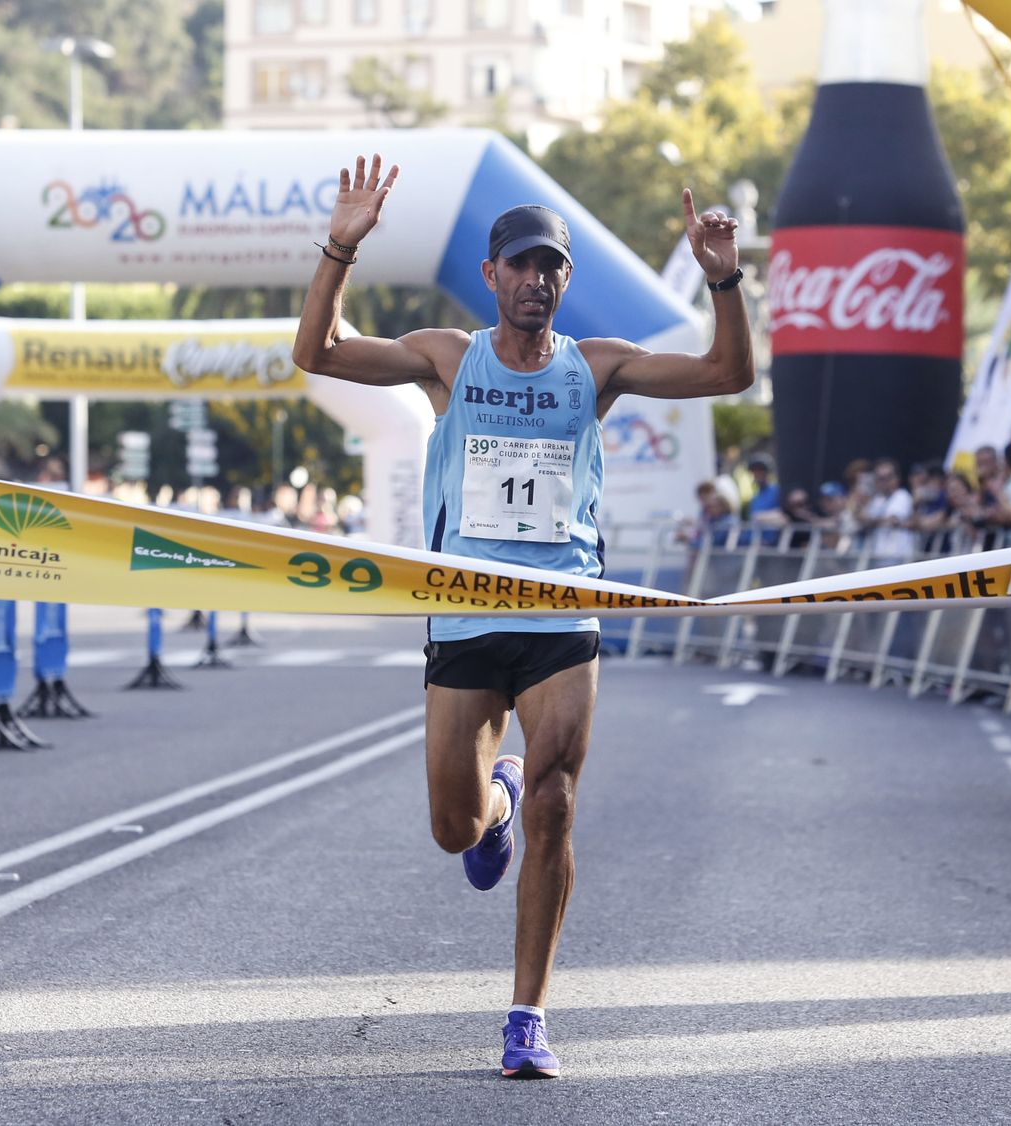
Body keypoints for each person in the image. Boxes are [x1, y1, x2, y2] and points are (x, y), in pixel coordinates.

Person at [291, 153, 753, 1079]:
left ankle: (527, 1015)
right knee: (455, 829)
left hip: (564, 611)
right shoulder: (446, 359)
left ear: (565, 282)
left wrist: (725, 281)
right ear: (491, 276)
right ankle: (492, 802)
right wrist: (340, 248)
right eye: (522, 265)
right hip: (462, 614)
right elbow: (319, 353)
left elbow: (728, 373)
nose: (537, 281)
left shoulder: (600, 368)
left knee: (560, 802)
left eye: (553, 268)